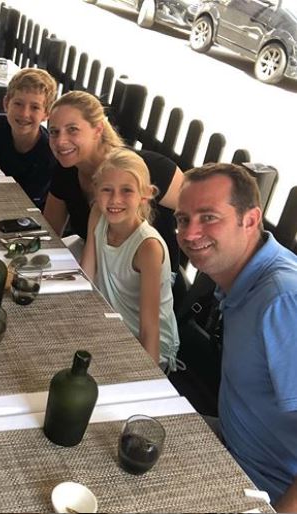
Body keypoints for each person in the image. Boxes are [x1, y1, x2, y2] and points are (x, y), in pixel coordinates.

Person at [175, 163, 297, 510]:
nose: (190, 233)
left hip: (262, 488)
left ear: (251, 219)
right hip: (229, 443)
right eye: (183, 219)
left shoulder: (282, 300)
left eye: (208, 216)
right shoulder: (240, 274)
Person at [43, 90, 183, 271]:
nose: (60, 141)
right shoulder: (66, 170)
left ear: (98, 129)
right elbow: (49, 233)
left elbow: (201, 212)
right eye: (54, 132)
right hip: (97, 270)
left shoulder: (151, 168)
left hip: (150, 277)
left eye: (73, 130)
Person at [81, 148, 179, 371]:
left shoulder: (148, 248)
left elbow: (149, 328)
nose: (115, 200)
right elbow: (86, 277)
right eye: (107, 190)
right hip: (110, 324)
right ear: (96, 191)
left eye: (127, 191)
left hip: (145, 343)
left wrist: (147, 379)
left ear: (146, 194)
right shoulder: (97, 213)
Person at [0, 68, 57, 209]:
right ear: (6, 104)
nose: (24, 114)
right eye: (18, 104)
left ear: (46, 114)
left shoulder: (48, 153)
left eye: (35, 107)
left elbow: (29, 202)